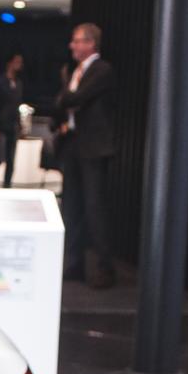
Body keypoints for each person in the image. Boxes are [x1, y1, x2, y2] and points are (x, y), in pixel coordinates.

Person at [57, 21, 118, 289]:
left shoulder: (101, 70)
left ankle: (105, 266)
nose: (72, 46)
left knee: (94, 207)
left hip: (93, 147)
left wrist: (66, 96)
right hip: (73, 144)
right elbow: (62, 103)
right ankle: (74, 263)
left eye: (77, 41)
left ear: (90, 43)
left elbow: (73, 98)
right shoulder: (74, 71)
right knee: (72, 206)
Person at [0, 52, 24, 188]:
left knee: (11, 160)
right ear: (9, 63)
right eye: (17, 62)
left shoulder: (18, 83)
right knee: (0, 158)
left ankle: (7, 186)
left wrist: (19, 125)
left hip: (12, 126)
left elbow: (17, 106)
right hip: (1, 125)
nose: (19, 65)